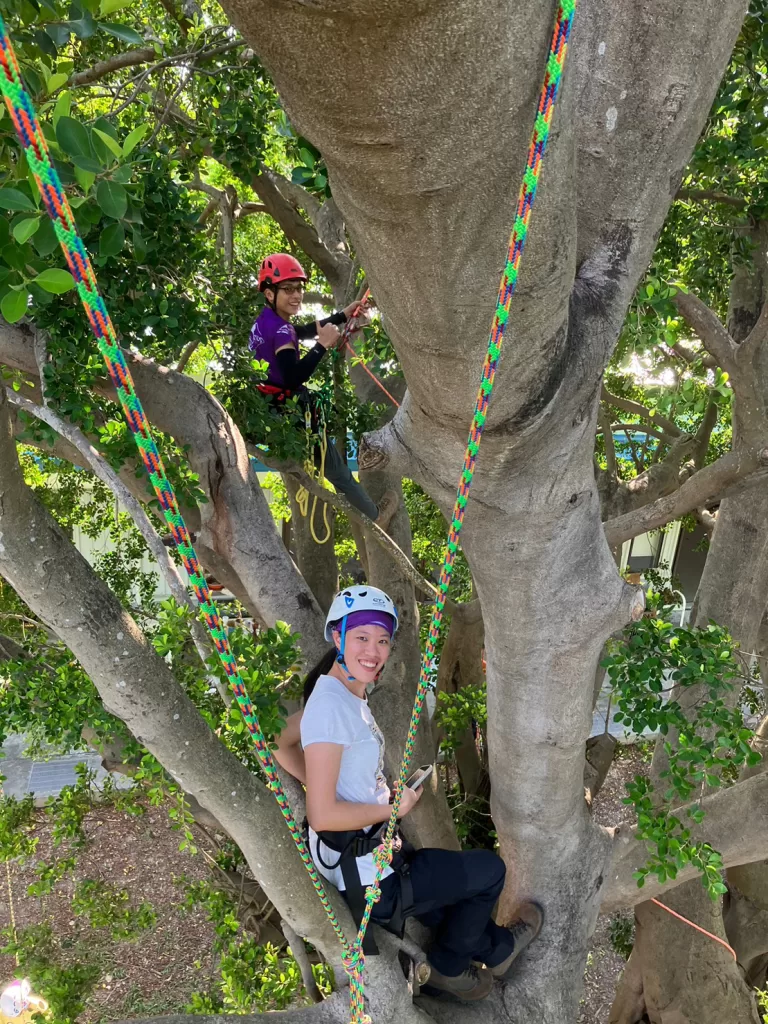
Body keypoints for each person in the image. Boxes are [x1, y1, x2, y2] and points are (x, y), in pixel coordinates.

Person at [274, 585, 544, 1002]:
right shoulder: (330, 707)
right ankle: (451, 969)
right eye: (362, 637)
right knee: (490, 873)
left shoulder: (337, 693)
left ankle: (497, 949)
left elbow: (280, 743)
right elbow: (324, 815)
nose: (374, 650)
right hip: (369, 882)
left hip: (363, 859)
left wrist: (331, 783)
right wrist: (388, 807)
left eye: (382, 640)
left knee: (450, 902)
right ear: (338, 637)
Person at [250, 254, 397, 530]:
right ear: (270, 293)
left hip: (268, 412)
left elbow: (301, 330)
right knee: (338, 471)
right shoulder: (281, 330)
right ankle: (376, 516)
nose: (297, 295)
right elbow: (293, 378)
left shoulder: (265, 322)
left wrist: (342, 315)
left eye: (299, 288)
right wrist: (322, 346)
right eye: (288, 289)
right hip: (292, 416)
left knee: (331, 468)